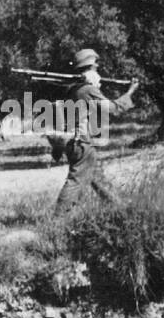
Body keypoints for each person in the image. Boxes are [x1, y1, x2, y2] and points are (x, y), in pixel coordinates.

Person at [53, 48, 139, 210]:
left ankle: (120, 209)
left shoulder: (74, 89)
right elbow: (113, 108)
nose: (97, 69)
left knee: (98, 178)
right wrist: (130, 93)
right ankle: (58, 219)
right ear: (90, 68)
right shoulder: (87, 90)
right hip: (82, 142)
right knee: (75, 181)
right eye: (96, 67)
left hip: (76, 142)